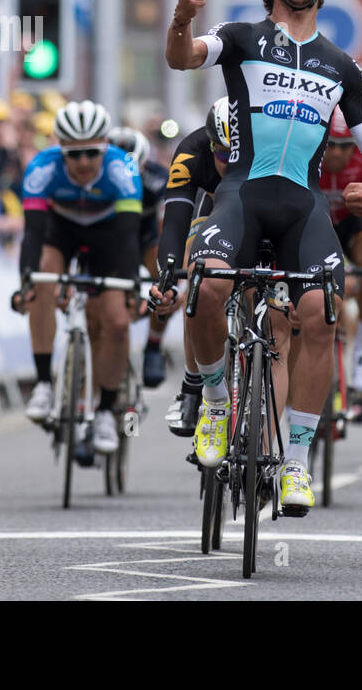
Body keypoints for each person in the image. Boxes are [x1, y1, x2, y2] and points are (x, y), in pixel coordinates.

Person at [163, 0, 362, 513]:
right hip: (242, 194)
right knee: (205, 288)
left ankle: (297, 461)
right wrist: (182, 17)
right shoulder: (240, 37)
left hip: (303, 205)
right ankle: (214, 405)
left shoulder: (342, 65)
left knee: (321, 314)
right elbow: (182, 58)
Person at [16, 101, 143, 456]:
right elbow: (33, 235)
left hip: (109, 234)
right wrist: (26, 281)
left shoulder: (123, 168)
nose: (84, 162)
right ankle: (43, 383)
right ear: (60, 150)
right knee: (42, 278)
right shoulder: (41, 168)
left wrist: (131, 285)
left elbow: (128, 236)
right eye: (74, 155)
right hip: (62, 230)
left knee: (117, 323)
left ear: (105, 146)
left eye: (92, 153)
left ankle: (104, 412)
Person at [150, 100, 232, 465]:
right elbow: (176, 219)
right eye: (224, 154)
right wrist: (169, 278)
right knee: (198, 277)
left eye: (239, 156)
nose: (231, 164)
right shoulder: (192, 151)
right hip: (211, 209)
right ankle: (192, 384)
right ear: (212, 143)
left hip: (260, 209)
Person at [317, 106, 362, 399]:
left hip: (353, 225)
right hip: (318, 225)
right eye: (330, 144)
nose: (338, 153)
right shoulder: (307, 157)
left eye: (346, 146)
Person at [107, 126, 172, 388]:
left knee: (170, 285)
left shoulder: (159, 180)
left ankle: (153, 347)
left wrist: (160, 286)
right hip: (111, 238)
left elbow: (166, 230)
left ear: (145, 164)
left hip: (147, 237)